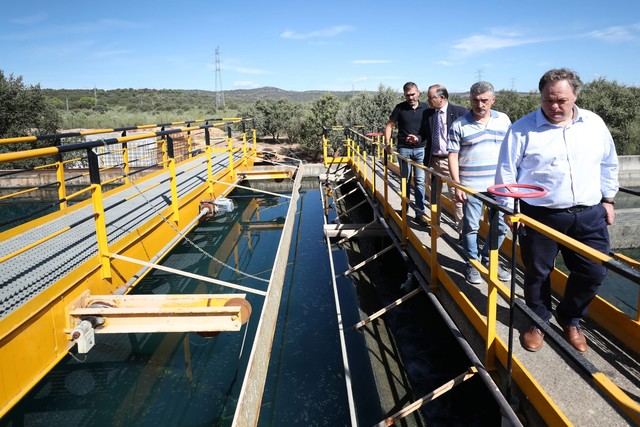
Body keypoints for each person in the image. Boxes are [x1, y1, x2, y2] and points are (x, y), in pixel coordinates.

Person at [495, 68, 619, 353]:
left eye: (562, 100)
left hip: (589, 214)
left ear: (575, 95)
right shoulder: (522, 129)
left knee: (594, 272)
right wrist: (510, 210)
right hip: (540, 215)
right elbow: (506, 172)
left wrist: (608, 199)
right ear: (541, 96)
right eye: (548, 100)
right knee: (538, 273)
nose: (554, 107)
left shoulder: (594, 124)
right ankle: (537, 320)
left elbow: (608, 163)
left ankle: (570, 319)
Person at [448, 81, 512, 285]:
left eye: (484, 100)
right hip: (471, 186)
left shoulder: (503, 120)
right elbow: (452, 156)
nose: (480, 104)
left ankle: (490, 259)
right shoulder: (459, 124)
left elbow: (512, 151)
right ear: (470, 100)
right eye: (475, 100)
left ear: (493, 100)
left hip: (499, 186)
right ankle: (473, 263)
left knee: (501, 227)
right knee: (470, 227)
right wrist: (456, 185)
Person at [423, 84, 467, 231]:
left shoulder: (460, 112)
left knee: (457, 197)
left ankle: (462, 231)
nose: (428, 100)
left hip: (452, 161)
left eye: (431, 97)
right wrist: (416, 139)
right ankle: (435, 225)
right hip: (434, 161)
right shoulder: (428, 113)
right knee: (433, 195)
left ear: (441, 98)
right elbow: (425, 135)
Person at [385, 82, 429, 224]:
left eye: (413, 94)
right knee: (405, 179)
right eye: (407, 95)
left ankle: (420, 213)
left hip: (421, 149)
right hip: (404, 149)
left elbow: (430, 129)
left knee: (420, 181)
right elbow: (390, 125)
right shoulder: (400, 108)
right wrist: (387, 144)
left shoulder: (426, 108)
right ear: (404, 95)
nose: (410, 97)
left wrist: (419, 138)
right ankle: (404, 209)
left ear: (418, 93)